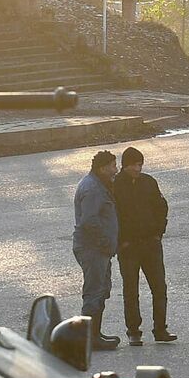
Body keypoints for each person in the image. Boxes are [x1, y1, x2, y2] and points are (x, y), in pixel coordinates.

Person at [114, 146, 176, 346]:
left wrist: (158, 233)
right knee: (131, 290)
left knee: (159, 288)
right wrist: (120, 241)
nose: (137, 169)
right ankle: (133, 331)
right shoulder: (115, 186)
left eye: (140, 165)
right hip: (128, 247)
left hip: (151, 244)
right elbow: (111, 216)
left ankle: (160, 329)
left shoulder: (149, 182)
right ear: (124, 165)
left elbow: (161, 207)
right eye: (133, 165)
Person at [73, 150, 121, 350]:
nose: (115, 170)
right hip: (93, 249)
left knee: (101, 290)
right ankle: (90, 339)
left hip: (99, 249)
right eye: (112, 166)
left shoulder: (98, 184)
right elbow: (89, 221)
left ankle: (95, 334)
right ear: (102, 168)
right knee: (93, 293)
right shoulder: (93, 189)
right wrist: (104, 242)